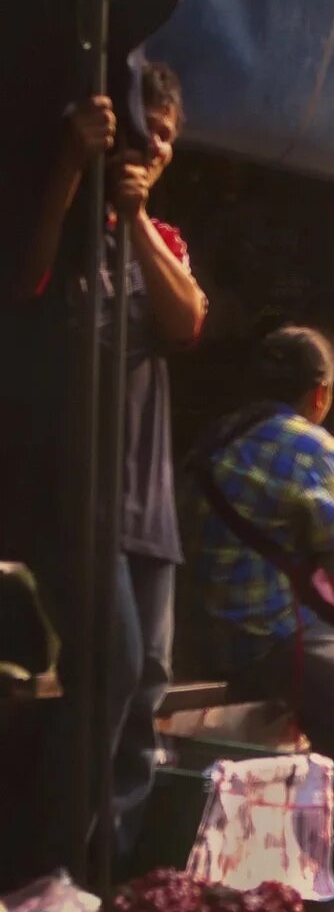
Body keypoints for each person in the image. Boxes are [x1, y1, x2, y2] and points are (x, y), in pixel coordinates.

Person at [17, 66, 208, 857]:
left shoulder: (160, 240)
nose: (154, 145)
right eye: (145, 130)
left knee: (142, 693)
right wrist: (69, 165)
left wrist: (135, 220)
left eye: (167, 133)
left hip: (149, 511)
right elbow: (23, 277)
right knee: (113, 669)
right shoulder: (66, 220)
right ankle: (51, 865)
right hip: (78, 500)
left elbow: (188, 320)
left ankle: (116, 874)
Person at [190, 327, 334, 790]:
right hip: (268, 642)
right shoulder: (309, 444)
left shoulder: (218, 436)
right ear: (321, 393)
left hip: (205, 636)